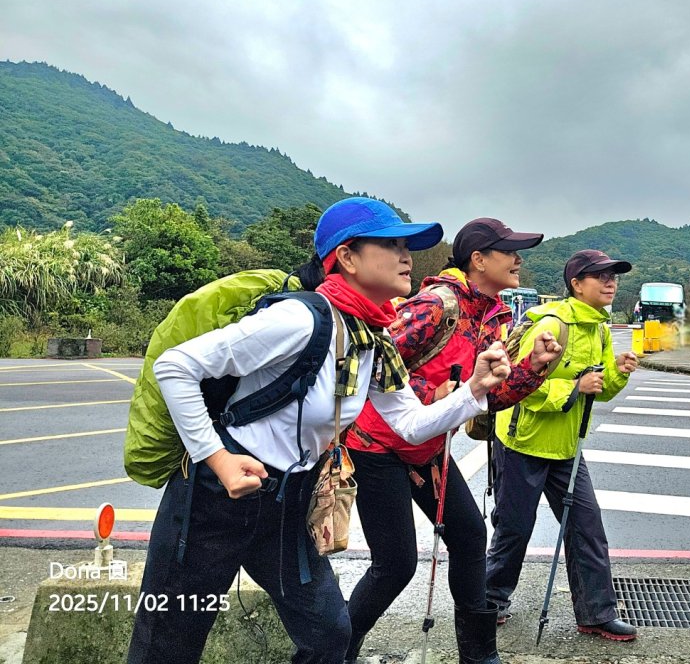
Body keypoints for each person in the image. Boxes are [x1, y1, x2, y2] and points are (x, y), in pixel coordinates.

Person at [127, 197, 512, 664]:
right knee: (169, 642)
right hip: (213, 500)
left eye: (407, 246)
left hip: (288, 503)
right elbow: (175, 367)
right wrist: (218, 459)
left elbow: (409, 424)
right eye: (390, 245)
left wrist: (474, 389)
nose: (406, 256)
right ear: (346, 257)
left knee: (330, 634)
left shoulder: (372, 337)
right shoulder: (300, 319)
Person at [343, 218, 561, 664]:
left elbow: (488, 396)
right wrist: (435, 394)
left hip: (428, 449)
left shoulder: (494, 315)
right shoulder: (434, 306)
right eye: (509, 251)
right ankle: (336, 647)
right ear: (478, 260)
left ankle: (479, 655)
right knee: (396, 565)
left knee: (469, 536)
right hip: (377, 447)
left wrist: (533, 368)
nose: (519, 259)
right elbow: (365, 367)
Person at [485, 249, 640, 642]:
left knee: (587, 527)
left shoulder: (600, 329)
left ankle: (596, 612)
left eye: (614, 276)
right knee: (514, 528)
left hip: (567, 447)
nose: (611, 283)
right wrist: (573, 386)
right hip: (523, 442)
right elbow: (517, 386)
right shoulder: (552, 325)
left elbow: (598, 390)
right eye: (601, 276)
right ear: (576, 283)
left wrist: (617, 375)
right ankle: (490, 600)